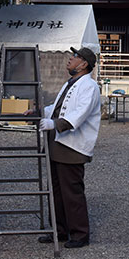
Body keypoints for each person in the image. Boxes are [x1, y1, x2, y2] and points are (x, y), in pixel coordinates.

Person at [37, 46, 101, 248]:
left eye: (75, 57)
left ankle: (80, 234)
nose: (70, 59)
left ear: (83, 64)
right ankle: (60, 230)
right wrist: (39, 112)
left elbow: (79, 114)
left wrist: (56, 124)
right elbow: (57, 108)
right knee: (56, 190)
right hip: (58, 142)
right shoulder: (71, 83)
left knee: (71, 191)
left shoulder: (89, 86)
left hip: (72, 145)